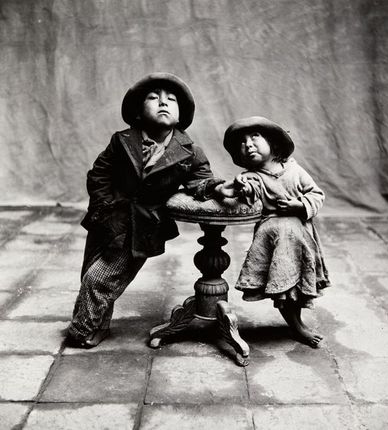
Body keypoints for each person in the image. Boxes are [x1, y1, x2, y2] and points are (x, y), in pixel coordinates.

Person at [66, 72, 224, 348]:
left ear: (181, 114)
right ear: (138, 112)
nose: (163, 102)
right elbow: (99, 174)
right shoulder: (122, 140)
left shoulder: (190, 152)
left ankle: (81, 331)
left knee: (100, 278)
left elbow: (202, 181)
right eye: (153, 98)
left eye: (171, 99)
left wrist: (215, 188)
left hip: (143, 226)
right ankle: (99, 325)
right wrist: (104, 209)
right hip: (108, 218)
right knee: (90, 269)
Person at [215, 116, 330, 347]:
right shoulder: (252, 177)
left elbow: (316, 195)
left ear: (274, 144)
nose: (248, 144)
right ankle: (296, 325)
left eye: (255, 137)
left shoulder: (294, 169)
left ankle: (297, 323)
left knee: (297, 284)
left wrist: (300, 206)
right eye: (243, 142)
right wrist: (237, 188)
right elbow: (242, 194)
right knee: (283, 284)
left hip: (300, 236)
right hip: (275, 238)